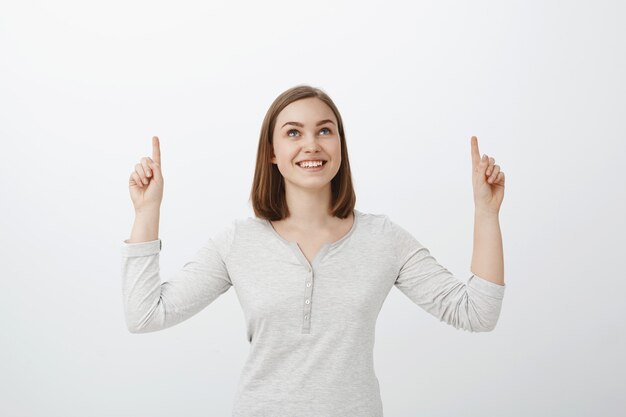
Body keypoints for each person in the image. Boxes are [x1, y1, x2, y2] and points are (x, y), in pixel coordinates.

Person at [121, 84, 507, 417]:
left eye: (325, 130)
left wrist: (486, 214)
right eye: (293, 133)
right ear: (271, 152)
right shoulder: (238, 242)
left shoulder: (383, 239)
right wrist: (147, 212)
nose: (312, 144)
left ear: (340, 144)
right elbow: (146, 315)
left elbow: (476, 312)